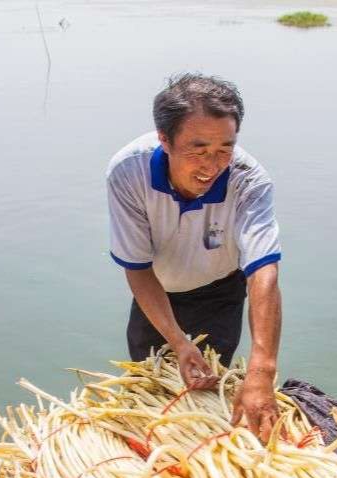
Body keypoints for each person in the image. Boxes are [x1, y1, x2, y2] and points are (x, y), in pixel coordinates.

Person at [106, 73, 282, 443]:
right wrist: (178, 342)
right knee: (149, 389)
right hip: (157, 290)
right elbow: (137, 270)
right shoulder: (128, 172)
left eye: (224, 149)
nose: (212, 164)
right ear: (164, 140)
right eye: (198, 149)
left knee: (210, 391)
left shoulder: (250, 181)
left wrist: (262, 370)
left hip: (221, 289)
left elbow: (263, 271)